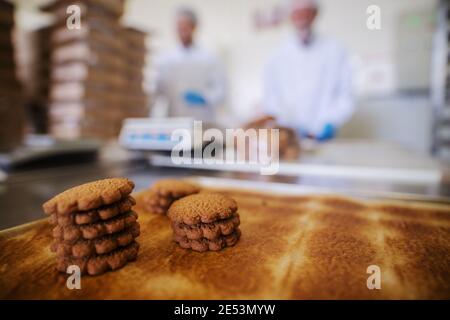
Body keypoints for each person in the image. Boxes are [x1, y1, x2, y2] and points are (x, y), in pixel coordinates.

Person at [262, 0, 354, 141]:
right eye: (297, 13)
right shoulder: (277, 55)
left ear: (315, 14)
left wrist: (330, 123)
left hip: (326, 135)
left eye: (306, 13)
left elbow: (347, 94)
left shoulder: (336, 50)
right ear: (291, 16)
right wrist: (288, 124)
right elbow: (271, 97)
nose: (302, 18)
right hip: (290, 135)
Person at [153, 7, 226, 122]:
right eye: (179, 27)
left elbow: (221, 90)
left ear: (194, 27)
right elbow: (158, 89)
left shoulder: (210, 58)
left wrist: (204, 98)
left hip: (202, 118)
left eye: (185, 27)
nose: (182, 31)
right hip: (174, 118)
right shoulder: (166, 59)